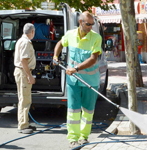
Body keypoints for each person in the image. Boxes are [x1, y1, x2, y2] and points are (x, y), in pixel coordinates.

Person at [53, 11, 102, 148]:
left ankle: (84, 137)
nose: (90, 27)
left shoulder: (96, 38)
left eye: (92, 25)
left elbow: (93, 59)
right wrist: (55, 56)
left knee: (88, 111)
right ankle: (73, 139)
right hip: (73, 81)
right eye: (88, 24)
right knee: (73, 110)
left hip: (90, 81)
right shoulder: (70, 34)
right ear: (80, 22)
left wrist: (76, 69)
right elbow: (60, 43)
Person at [14, 23, 37, 134]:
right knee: (25, 99)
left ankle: (25, 123)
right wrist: (29, 76)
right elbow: (24, 60)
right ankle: (23, 125)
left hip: (21, 72)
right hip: (23, 72)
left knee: (24, 98)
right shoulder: (25, 43)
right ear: (32, 32)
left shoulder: (21, 40)